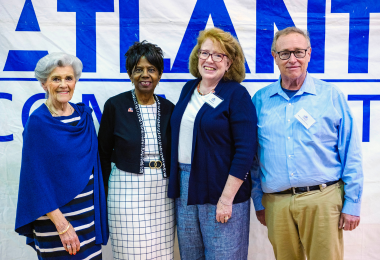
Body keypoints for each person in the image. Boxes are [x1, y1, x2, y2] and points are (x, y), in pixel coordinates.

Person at [251, 27, 363, 260]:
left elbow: (350, 151)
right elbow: (253, 158)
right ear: (274, 56)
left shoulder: (331, 96)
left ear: (309, 54)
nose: (292, 59)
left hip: (322, 200)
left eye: (298, 52)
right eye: (284, 53)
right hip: (276, 204)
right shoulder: (260, 100)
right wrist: (258, 200)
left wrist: (352, 203)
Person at [168, 27, 257, 259]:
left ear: (229, 63)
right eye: (205, 53)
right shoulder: (189, 89)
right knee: (190, 254)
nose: (210, 60)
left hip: (221, 187)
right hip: (186, 185)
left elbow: (245, 152)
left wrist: (226, 200)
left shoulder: (237, 94)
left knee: (223, 254)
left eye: (219, 55)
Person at [15, 52, 108, 259]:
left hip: (87, 219)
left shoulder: (83, 116)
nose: (63, 84)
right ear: (44, 84)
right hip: (56, 223)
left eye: (68, 78)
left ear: (75, 81)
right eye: (56, 79)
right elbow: (35, 180)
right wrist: (62, 226)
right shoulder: (38, 122)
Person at [98, 41, 175, 260]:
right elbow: (103, 153)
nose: (145, 75)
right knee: (132, 253)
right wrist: (101, 193)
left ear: (160, 74)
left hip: (162, 192)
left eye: (151, 69)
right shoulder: (115, 105)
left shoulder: (169, 108)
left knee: (162, 253)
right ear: (130, 73)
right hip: (125, 189)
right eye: (138, 69)